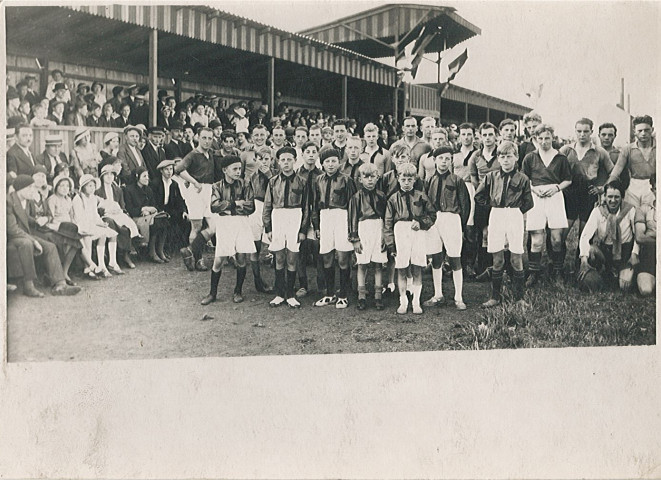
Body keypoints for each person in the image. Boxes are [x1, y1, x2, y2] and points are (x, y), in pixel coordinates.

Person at [475, 141, 534, 308]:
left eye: (509, 156)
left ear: (516, 158)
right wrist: (493, 206)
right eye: (502, 156)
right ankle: (495, 296)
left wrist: (515, 211)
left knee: (516, 257)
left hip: (514, 214)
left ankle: (519, 298)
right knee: (498, 258)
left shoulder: (523, 179)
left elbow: (529, 202)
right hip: (497, 214)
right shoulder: (491, 177)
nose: (506, 160)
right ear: (498, 159)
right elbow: (479, 196)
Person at [7, 175, 82, 297]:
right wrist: (33, 240)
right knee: (27, 244)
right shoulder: (9, 201)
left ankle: (60, 284)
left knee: (50, 246)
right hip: (11, 237)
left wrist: (41, 220)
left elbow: (26, 219)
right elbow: (11, 229)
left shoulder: (23, 200)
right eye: (31, 187)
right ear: (21, 188)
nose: (34, 190)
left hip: (23, 234)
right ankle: (29, 286)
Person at [559, 118, 614, 272]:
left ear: (591, 132)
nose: (582, 134)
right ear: (575, 131)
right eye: (579, 131)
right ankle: (557, 266)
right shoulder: (566, 150)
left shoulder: (599, 151)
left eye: (585, 131)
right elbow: (555, 170)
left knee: (584, 235)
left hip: (588, 196)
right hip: (569, 195)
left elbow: (613, 173)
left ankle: (581, 267)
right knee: (561, 234)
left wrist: (603, 188)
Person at [522, 124, 573, 286]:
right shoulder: (530, 157)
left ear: (553, 138)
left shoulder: (560, 158)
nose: (544, 142)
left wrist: (556, 187)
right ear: (535, 139)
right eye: (540, 138)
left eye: (547, 138)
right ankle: (533, 273)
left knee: (556, 239)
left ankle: (557, 272)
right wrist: (533, 189)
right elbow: (524, 179)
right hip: (535, 198)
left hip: (555, 197)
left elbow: (568, 179)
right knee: (536, 240)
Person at [201, 155, 256, 305]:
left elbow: (251, 207)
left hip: (242, 223)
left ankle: (238, 291)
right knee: (219, 259)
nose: (238, 171)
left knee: (241, 258)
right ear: (225, 170)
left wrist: (227, 207)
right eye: (235, 169)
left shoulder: (245, 184)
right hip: (225, 224)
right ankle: (212, 293)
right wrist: (235, 204)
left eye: (240, 168)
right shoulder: (217, 186)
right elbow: (214, 206)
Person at [383, 163, 436, 314]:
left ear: (414, 179)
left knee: (417, 267)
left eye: (409, 179)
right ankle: (403, 301)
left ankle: (416, 301)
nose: (406, 183)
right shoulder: (392, 199)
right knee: (402, 268)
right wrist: (391, 245)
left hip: (417, 233)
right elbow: (388, 223)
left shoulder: (421, 196)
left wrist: (421, 223)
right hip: (400, 232)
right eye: (403, 179)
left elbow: (432, 215)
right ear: (398, 179)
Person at [262, 146, 310, 308]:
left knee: (292, 257)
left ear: (295, 161)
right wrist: (268, 227)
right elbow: (267, 206)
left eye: (289, 159)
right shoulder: (273, 182)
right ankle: (279, 293)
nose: (286, 163)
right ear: (278, 162)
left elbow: (306, 208)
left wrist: (303, 230)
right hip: (278, 217)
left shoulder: (302, 182)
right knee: (279, 257)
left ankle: (290, 294)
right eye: (283, 160)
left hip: (295, 218)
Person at [424, 145, 471, 310]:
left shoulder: (457, 180)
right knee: (436, 258)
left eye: (447, 159)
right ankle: (438, 294)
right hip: (434, 220)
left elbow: (465, 205)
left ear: (451, 161)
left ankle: (458, 297)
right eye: (441, 158)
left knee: (454, 257)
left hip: (451, 218)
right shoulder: (429, 180)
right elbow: (425, 203)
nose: (444, 162)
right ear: (434, 160)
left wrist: (461, 225)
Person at [311, 148, 357, 309]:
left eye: (334, 161)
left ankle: (343, 295)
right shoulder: (318, 180)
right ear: (322, 164)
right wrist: (316, 226)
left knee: (343, 257)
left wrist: (353, 229)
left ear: (339, 163)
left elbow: (353, 206)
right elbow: (315, 205)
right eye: (327, 161)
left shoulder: (346, 180)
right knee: (327, 256)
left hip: (341, 217)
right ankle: (329, 294)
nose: (330, 164)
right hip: (325, 217)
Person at [578, 180, 639, 292]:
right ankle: (604, 271)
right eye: (610, 196)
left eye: (617, 197)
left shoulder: (630, 210)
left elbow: (637, 236)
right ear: (604, 196)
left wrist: (634, 254)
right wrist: (584, 259)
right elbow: (585, 236)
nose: (613, 200)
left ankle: (619, 273)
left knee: (624, 285)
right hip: (605, 250)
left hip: (624, 252)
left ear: (622, 197)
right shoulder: (598, 211)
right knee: (591, 250)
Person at [175, 127, 216, 271]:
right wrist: (194, 182)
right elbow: (178, 169)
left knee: (214, 226)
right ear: (198, 138)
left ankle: (189, 250)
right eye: (204, 138)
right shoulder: (192, 154)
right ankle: (198, 260)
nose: (207, 141)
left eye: (210, 138)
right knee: (197, 227)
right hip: (196, 192)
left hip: (209, 190)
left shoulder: (211, 154)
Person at [348, 163, 387, 310]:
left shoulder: (382, 196)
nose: (369, 180)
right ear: (360, 179)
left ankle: (378, 296)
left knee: (378, 264)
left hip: (378, 228)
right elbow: (352, 219)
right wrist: (355, 238)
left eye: (372, 177)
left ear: (377, 178)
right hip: (363, 228)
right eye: (366, 177)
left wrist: (385, 235)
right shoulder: (356, 197)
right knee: (362, 264)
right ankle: (361, 296)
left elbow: (385, 216)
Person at [46, 174, 94, 282]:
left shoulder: (68, 199)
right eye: (61, 186)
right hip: (57, 226)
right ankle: (90, 263)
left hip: (70, 228)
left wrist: (78, 227)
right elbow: (51, 218)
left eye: (67, 186)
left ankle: (65, 272)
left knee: (80, 237)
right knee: (76, 239)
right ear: (56, 187)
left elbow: (72, 217)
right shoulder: (52, 199)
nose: (64, 188)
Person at [468, 122, 501, 278]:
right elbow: (473, 176)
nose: (488, 138)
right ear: (480, 137)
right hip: (482, 200)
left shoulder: (501, 153)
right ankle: (483, 267)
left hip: (499, 200)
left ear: (496, 136)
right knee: (483, 232)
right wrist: (481, 190)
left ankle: (498, 267)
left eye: (490, 135)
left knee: (497, 232)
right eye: (484, 135)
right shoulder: (476, 156)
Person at [72, 174, 121, 278]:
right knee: (101, 235)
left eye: (93, 186)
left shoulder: (93, 198)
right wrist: (94, 224)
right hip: (82, 225)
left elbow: (95, 214)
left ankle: (112, 262)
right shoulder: (78, 198)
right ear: (83, 187)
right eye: (89, 186)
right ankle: (100, 265)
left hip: (93, 224)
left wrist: (100, 223)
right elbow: (79, 217)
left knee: (113, 234)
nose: (92, 188)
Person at [96, 163, 141, 269]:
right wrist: (106, 210)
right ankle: (113, 258)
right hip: (105, 215)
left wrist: (120, 210)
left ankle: (125, 255)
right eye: (106, 174)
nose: (109, 177)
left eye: (112, 175)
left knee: (126, 227)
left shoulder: (118, 190)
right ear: (102, 177)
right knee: (111, 223)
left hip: (117, 213)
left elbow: (122, 206)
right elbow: (96, 207)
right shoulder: (98, 190)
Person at [295, 141, 325, 298]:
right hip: (300, 217)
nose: (311, 155)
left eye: (314, 152)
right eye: (308, 152)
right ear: (303, 154)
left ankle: (321, 285)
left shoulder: (321, 176)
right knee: (301, 252)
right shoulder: (297, 175)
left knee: (319, 250)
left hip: (317, 218)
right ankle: (303, 285)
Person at [607, 115, 656, 209]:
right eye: (640, 131)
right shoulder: (627, 149)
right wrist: (607, 190)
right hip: (634, 187)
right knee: (633, 217)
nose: (643, 133)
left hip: (655, 187)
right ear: (634, 132)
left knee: (653, 219)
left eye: (646, 130)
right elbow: (616, 172)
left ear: (652, 129)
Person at [124, 167, 169, 263]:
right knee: (156, 223)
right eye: (144, 176)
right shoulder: (129, 190)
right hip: (136, 217)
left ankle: (160, 250)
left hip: (148, 216)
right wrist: (142, 209)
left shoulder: (148, 189)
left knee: (164, 220)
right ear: (137, 177)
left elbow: (153, 204)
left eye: (147, 176)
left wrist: (150, 210)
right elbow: (130, 209)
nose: (147, 178)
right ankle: (152, 252)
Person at [246, 147, 274, 294]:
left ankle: (281, 281)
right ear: (256, 160)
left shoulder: (275, 175)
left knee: (277, 246)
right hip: (256, 208)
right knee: (255, 247)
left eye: (267, 159)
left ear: (271, 160)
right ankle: (258, 280)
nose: (264, 162)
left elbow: (277, 190)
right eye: (261, 159)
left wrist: (269, 174)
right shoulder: (253, 177)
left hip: (272, 208)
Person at [453, 123, 478, 278]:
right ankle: (454, 263)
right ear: (459, 136)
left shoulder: (478, 153)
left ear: (473, 136)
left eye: (469, 134)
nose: (466, 137)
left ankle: (469, 264)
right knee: (455, 226)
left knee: (470, 227)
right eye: (463, 134)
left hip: (471, 188)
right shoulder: (454, 154)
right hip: (456, 189)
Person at [152, 159, 189, 255]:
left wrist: (183, 211)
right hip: (159, 209)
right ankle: (162, 249)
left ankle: (176, 248)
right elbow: (153, 200)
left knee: (183, 219)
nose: (169, 172)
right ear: (161, 171)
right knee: (164, 221)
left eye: (171, 169)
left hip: (170, 209)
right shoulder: (155, 183)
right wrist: (160, 211)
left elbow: (180, 199)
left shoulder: (174, 184)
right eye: (166, 170)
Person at [634, 175, 656, 296]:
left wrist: (652, 236)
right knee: (645, 290)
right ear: (653, 189)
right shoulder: (643, 209)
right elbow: (640, 237)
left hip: (652, 242)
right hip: (649, 253)